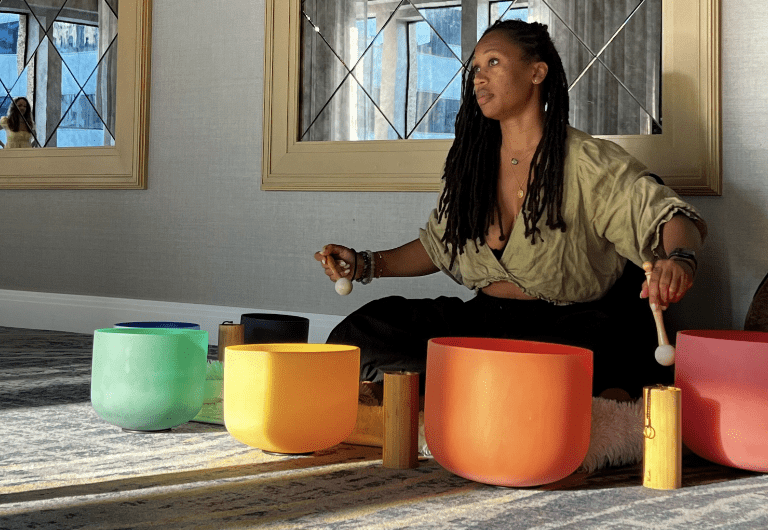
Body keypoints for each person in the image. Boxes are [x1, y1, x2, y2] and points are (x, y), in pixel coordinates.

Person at [314, 19, 706, 401]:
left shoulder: (590, 162)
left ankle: (457, 391)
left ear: (537, 72)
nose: (478, 77)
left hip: (571, 326)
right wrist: (365, 264)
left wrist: (680, 260)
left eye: (494, 62)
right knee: (360, 336)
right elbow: (438, 247)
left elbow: (670, 217)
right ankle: (471, 389)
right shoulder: (470, 164)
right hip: (486, 321)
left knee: (553, 372)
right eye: (475, 68)